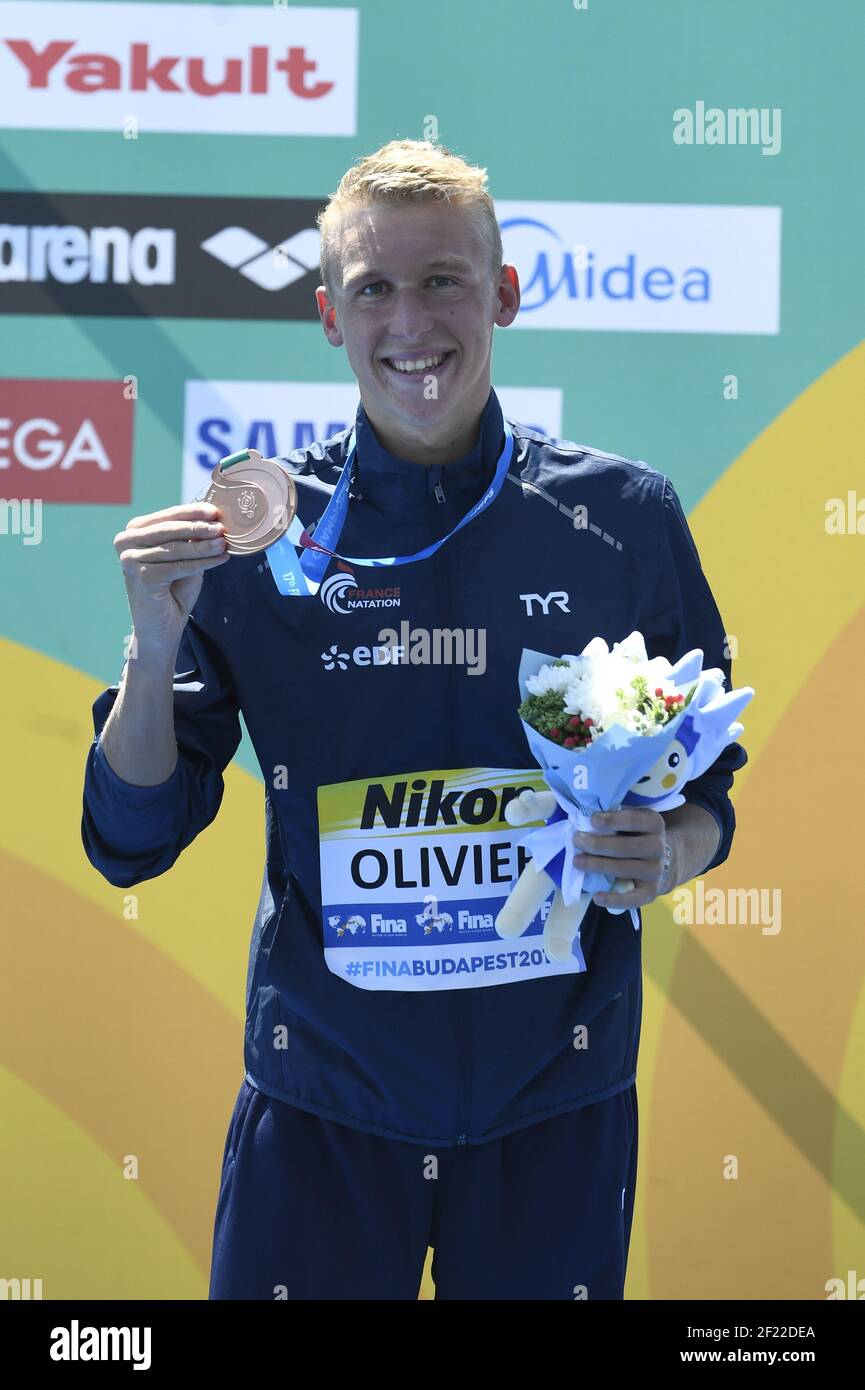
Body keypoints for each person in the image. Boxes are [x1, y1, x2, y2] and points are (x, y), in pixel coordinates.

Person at [81, 139, 747, 1300]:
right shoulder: (257, 539)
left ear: (504, 293)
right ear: (330, 316)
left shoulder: (621, 517)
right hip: (322, 1109)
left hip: (557, 1108)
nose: (411, 322)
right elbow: (128, 837)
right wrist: (152, 641)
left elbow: (706, 794)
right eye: (373, 288)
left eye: (443, 279)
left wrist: (669, 850)